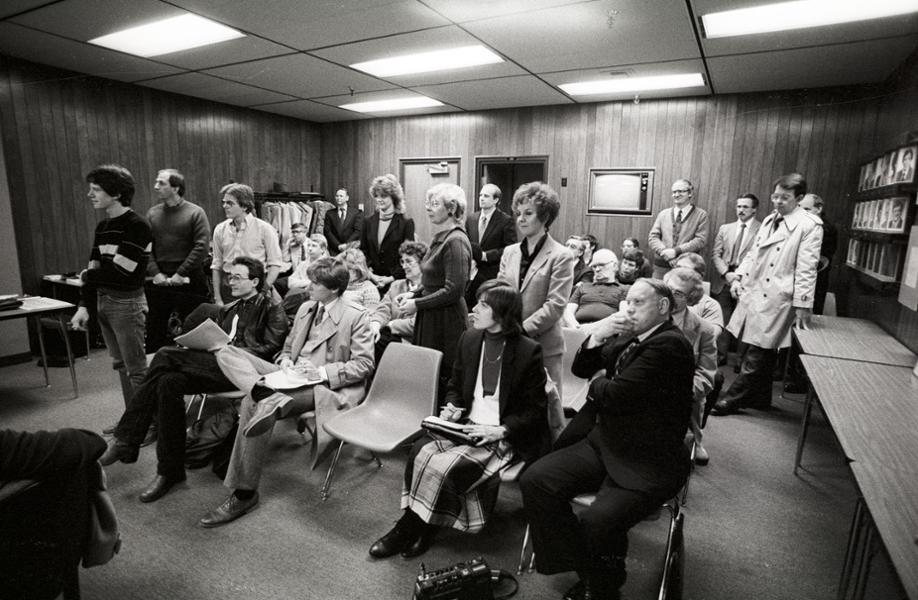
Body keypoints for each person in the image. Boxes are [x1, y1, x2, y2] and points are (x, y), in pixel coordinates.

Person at [520, 279, 694, 600]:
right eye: (627, 302)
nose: (628, 308)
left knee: (598, 521)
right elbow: (584, 366)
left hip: (645, 457)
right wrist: (598, 335)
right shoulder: (635, 336)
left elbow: (611, 394)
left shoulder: (669, 345)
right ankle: (588, 569)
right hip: (605, 441)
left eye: (638, 303)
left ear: (663, 307)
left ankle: (603, 585)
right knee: (535, 480)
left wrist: (600, 380)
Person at [368, 281, 551, 559]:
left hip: (502, 432)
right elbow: (455, 384)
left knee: (445, 465)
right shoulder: (470, 339)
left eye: (483, 305)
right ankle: (420, 523)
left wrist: (500, 430)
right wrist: (453, 405)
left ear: (502, 314)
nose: (474, 309)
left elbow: (535, 411)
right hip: (467, 422)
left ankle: (412, 527)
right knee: (420, 451)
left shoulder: (528, 351)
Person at [198, 257, 374, 527]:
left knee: (252, 404)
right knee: (225, 350)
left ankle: (244, 493)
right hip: (289, 377)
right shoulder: (306, 308)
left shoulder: (356, 316)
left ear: (335, 289)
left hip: (324, 387)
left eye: (316, 283)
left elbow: (364, 365)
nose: (309, 285)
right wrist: (285, 360)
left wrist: (322, 372)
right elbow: (287, 347)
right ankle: (261, 390)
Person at [97, 257, 288, 502]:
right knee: (168, 382)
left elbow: (270, 348)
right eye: (230, 277)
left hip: (245, 374)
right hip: (215, 368)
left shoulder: (272, 307)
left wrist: (230, 351)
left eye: (237, 277)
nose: (230, 282)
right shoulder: (232, 307)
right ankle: (169, 471)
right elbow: (216, 338)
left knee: (165, 355)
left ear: (255, 281)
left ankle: (127, 438)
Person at [714, 173, 822, 415]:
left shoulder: (810, 225)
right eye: (775, 196)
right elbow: (753, 253)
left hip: (779, 295)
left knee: (760, 348)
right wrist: (739, 275)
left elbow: (807, 268)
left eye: (784, 198)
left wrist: (804, 303)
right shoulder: (770, 220)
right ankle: (760, 398)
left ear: (800, 198)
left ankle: (732, 398)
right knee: (758, 343)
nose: (777, 202)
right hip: (756, 289)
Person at [71, 164, 152, 432]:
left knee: (137, 370)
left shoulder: (137, 226)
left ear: (116, 193)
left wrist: (88, 276)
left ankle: (149, 423)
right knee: (121, 366)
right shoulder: (103, 226)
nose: (90, 194)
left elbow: (122, 274)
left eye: (96, 189)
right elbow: (95, 269)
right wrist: (84, 304)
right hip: (104, 302)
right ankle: (133, 420)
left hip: (126, 305)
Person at [498, 182, 575, 396]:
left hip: (544, 347)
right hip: (510, 341)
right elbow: (500, 294)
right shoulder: (509, 252)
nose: (520, 219)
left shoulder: (561, 255)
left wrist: (521, 330)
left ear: (544, 216)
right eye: (518, 213)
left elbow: (556, 305)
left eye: (528, 213)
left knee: (547, 411)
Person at [398, 183, 472, 398]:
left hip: (446, 322)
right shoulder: (441, 238)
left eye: (435, 203)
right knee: (428, 374)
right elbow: (433, 280)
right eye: (428, 203)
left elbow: (453, 290)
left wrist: (417, 303)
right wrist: (414, 293)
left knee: (443, 376)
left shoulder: (456, 241)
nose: (428, 208)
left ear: (451, 208)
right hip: (433, 316)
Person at [144, 168, 211, 353]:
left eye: (161, 183)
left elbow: (201, 247)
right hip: (159, 280)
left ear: (176, 188)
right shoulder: (152, 214)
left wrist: (180, 273)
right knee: (154, 330)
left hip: (189, 279)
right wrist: (155, 273)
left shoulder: (195, 212)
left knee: (195, 330)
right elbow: (146, 247)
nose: (156, 186)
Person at [663, 268, 717, 466]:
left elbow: (706, 375)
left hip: (681, 392)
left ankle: (695, 437)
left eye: (677, 293)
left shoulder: (704, 330)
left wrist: (678, 393)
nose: (669, 296)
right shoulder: (646, 317)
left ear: (691, 298)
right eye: (667, 289)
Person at [211, 183, 283, 305]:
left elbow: (275, 264)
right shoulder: (220, 229)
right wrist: (217, 298)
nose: (225, 206)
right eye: (224, 202)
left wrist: (263, 291)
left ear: (244, 206)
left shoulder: (264, 229)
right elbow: (216, 265)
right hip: (228, 287)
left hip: (255, 286)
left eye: (230, 203)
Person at [710, 194, 761, 363]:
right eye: (739, 206)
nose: (741, 210)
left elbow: (759, 257)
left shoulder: (762, 230)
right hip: (725, 278)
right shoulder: (726, 228)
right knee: (722, 318)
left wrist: (738, 276)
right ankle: (721, 356)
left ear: (754, 209)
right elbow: (716, 255)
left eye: (746, 207)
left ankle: (741, 359)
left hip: (747, 280)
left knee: (744, 320)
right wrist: (727, 274)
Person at [369, 240, 427, 362]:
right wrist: (376, 324)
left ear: (422, 263)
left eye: (409, 262)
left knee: (378, 343)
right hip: (389, 336)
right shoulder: (397, 285)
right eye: (402, 261)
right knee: (369, 337)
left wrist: (391, 325)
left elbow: (418, 323)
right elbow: (383, 309)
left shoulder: (429, 291)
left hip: (413, 343)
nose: (404, 266)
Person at [361, 174, 415, 293]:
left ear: (394, 198)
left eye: (384, 196)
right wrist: (371, 275)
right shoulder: (368, 222)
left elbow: (408, 255)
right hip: (371, 281)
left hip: (396, 282)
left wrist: (390, 278)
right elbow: (363, 251)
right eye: (377, 196)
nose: (379, 199)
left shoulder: (406, 223)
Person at [465, 183, 516, 305]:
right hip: (470, 273)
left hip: (491, 272)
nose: (481, 198)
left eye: (486, 196)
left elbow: (510, 249)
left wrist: (486, 256)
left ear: (496, 200)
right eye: (480, 195)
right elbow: (466, 242)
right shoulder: (471, 219)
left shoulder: (505, 220)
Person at [647, 179, 709, 278]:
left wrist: (676, 251)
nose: (676, 194)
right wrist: (665, 252)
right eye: (674, 192)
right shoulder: (663, 214)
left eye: (680, 191)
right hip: (661, 268)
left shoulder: (701, 215)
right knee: (659, 292)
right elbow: (653, 237)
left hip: (686, 268)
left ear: (690, 193)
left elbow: (700, 240)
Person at [563, 249, 627, 333]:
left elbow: (622, 315)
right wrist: (576, 328)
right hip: (577, 331)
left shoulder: (624, 289)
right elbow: (568, 311)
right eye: (594, 266)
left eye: (601, 265)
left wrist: (591, 328)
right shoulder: (583, 287)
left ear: (615, 266)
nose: (597, 269)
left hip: (606, 333)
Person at [799, 193, 837, 315]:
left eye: (806, 209)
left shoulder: (826, 229)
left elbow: (819, 262)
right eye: (799, 208)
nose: (802, 213)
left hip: (815, 283)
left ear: (819, 209)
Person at [324, 188, 364, 253]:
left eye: (341, 196)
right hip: (334, 250)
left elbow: (357, 231)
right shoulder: (329, 213)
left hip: (351, 249)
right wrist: (338, 245)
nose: (338, 198)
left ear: (347, 198)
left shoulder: (356, 213)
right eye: (337, 196)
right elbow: (327, 232)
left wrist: (346, 245)